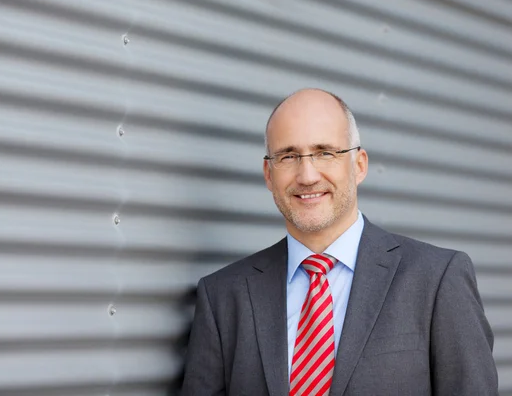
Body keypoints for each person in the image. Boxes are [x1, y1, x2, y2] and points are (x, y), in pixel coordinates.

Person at [181, 88, 498, 396]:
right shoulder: (223, 297)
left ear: (359, 165)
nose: (307, 175)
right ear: (268, 173)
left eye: (324, 152)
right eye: (289, 156)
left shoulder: (437, 279)